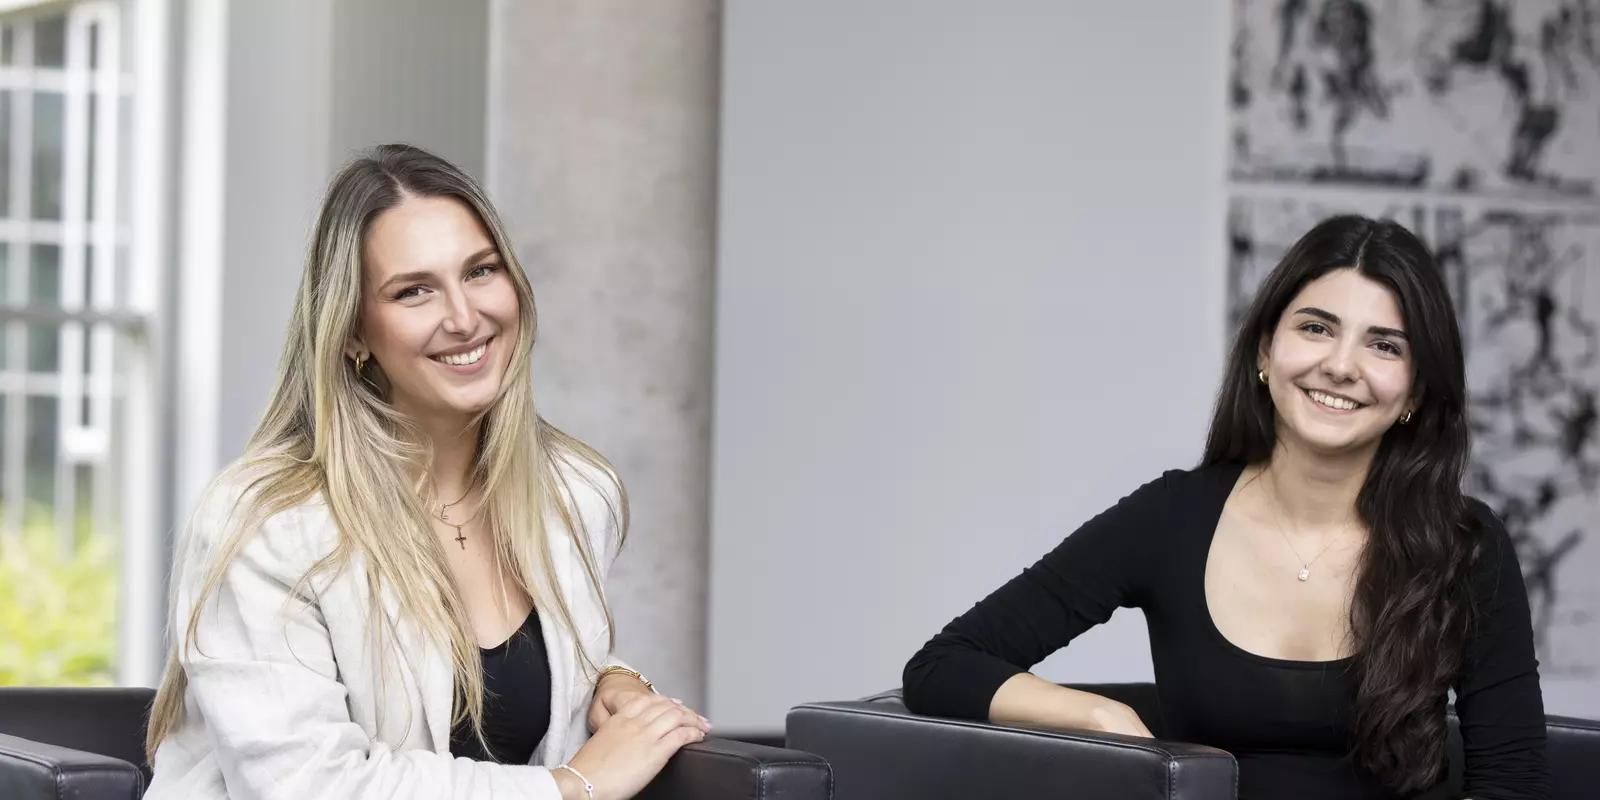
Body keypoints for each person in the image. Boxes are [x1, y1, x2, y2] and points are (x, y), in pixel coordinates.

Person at [902, 215, 1548, 799]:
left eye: (1384, 346)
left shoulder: (1466, 544)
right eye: (1316, 328)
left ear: (1416, 391)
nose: (1341, 365)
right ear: (1266, 351)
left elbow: (1512, 783)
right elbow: (943, 666)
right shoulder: (1172, 517)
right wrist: (1103, 717)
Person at [143, 144, 709, 800]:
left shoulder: (573, 493)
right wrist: (571, 787)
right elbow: (307, 785)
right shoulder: (267, 523)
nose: (464, 318)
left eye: (481, 271)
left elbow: (513, 680)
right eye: (414, 291)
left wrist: (610, 681)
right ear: (353, 333)